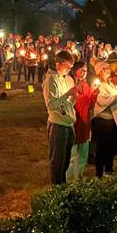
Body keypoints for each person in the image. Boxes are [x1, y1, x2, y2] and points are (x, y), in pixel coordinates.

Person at [42, 50, 77, 184]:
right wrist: (67, 95)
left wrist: (73, 98)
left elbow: (69, 104)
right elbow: (51, 105)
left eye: (71, 67)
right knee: (57, 160)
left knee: (66, 159)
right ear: (58, 65)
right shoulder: (50, 81)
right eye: (67, 66)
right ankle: (57, 188)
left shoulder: (68, 79)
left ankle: (63, 185)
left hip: (69, 123)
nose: (69, 69)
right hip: (57, 124)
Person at [92, 61, 117, 177]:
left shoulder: (110, 83)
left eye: (108, 68)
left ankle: (108, 168)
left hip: (113, 120)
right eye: (105, 68)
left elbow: (115, 99)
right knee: (102, 148)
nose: (108, 70)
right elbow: (103, 101)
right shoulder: (98, 85)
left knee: (111, 147)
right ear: (99, 71)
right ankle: (99, 173)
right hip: (103, 121)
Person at [67, 61, 98, 181]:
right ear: (75, 71)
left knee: (83, 152)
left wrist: (94, 95)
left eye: (85, 70)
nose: (84, 73)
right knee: (72, 153)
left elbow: (90, 104)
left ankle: (78, 175)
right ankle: (69, 178)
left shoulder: (86, 86)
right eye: (82, 70)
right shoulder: (70, 85)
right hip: (74, 122)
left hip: (85, 122)